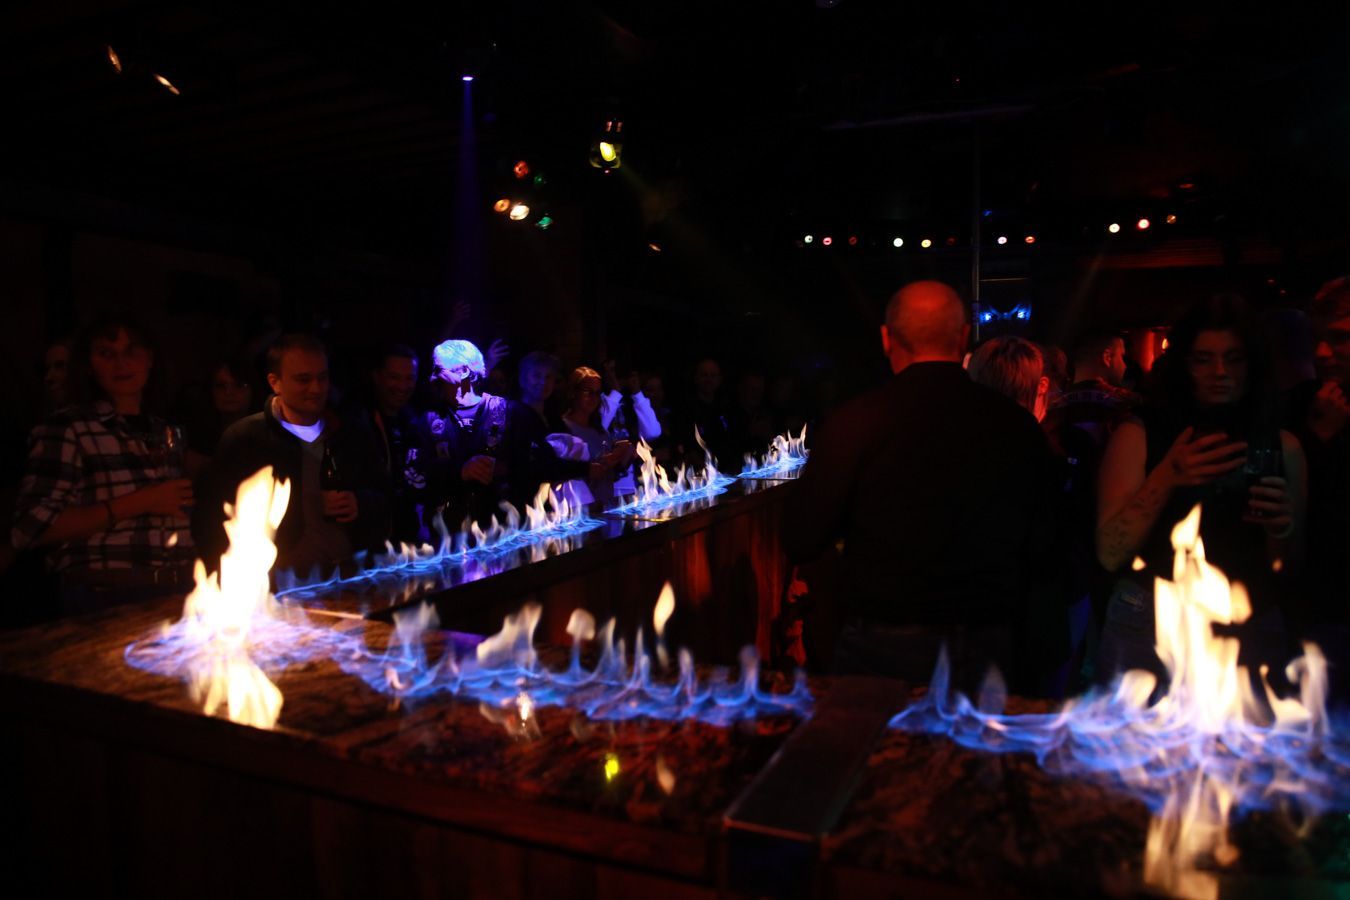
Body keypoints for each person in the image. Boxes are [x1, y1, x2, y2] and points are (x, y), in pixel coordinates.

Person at [784, 281, 1057, 693]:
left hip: (880, 643)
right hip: (986, 641)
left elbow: (802, 538)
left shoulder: (853, 423)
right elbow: (1046, 547)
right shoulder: (1017, 426)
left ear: (886, 338)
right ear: (963, 337)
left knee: (876, 736)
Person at [1095, 295, 1305, 688]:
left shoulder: (1282, 445)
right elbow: (1109, 552)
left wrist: (1281, 528)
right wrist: (1165, 478)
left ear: (1252, 363)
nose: (1220, 372)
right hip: (1152, 615)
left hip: (1248, 617)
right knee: (1136, 729)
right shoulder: (1140, 434)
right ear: (1184, 365)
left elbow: (1287, 569)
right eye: (1203, 360)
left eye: (1234, 358)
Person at [12, 314, 196, 613]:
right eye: (106, 353)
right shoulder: (67, 429)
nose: (121, 363)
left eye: (131, 351)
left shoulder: (166, 431)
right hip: (104, 594)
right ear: (88, 365)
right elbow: (30, 529)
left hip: (179, 591)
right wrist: (143, 501)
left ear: (149, 359)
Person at [193, 334, 387, 577]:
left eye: (322, 378)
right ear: (275, 382)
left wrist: (360, 502)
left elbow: (386, 497)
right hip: (276, 584)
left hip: (348, 579)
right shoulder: (245, 439)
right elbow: (211, 519)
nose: (316, 388)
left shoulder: (350, 433)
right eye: (303, 379)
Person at [423, 339, 584, 527]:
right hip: (447, 533)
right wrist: (460, 471)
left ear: (464, 372)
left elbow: (542, 464)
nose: (433, 378)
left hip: (503, 529)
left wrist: (588, 468)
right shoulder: (429, 419)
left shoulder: (512, 412)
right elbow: (417, 475)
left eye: (439, 370)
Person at [1296, 278, 1350, 636]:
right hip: (1314, 610)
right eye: (1316, 339)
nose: (1321, 352)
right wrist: (1318, 440)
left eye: (1339, 338)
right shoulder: (1299, 404)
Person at [345, 345, 431, 546]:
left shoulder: (413, 420)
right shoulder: (356, 422)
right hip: (369, 541)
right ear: (377, 377)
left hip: (407, 539)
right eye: (394, 377)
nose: (402, 386)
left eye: (409, 378)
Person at [558, 367, 638, 505]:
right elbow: (563, 473)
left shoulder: (600, 429)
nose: (593, 398)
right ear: (573, 392)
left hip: (606, 505)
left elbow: (610, 473)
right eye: (587, 391)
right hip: (580, 509)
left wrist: (622, 458)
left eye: (597, 393)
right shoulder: (563, 428)